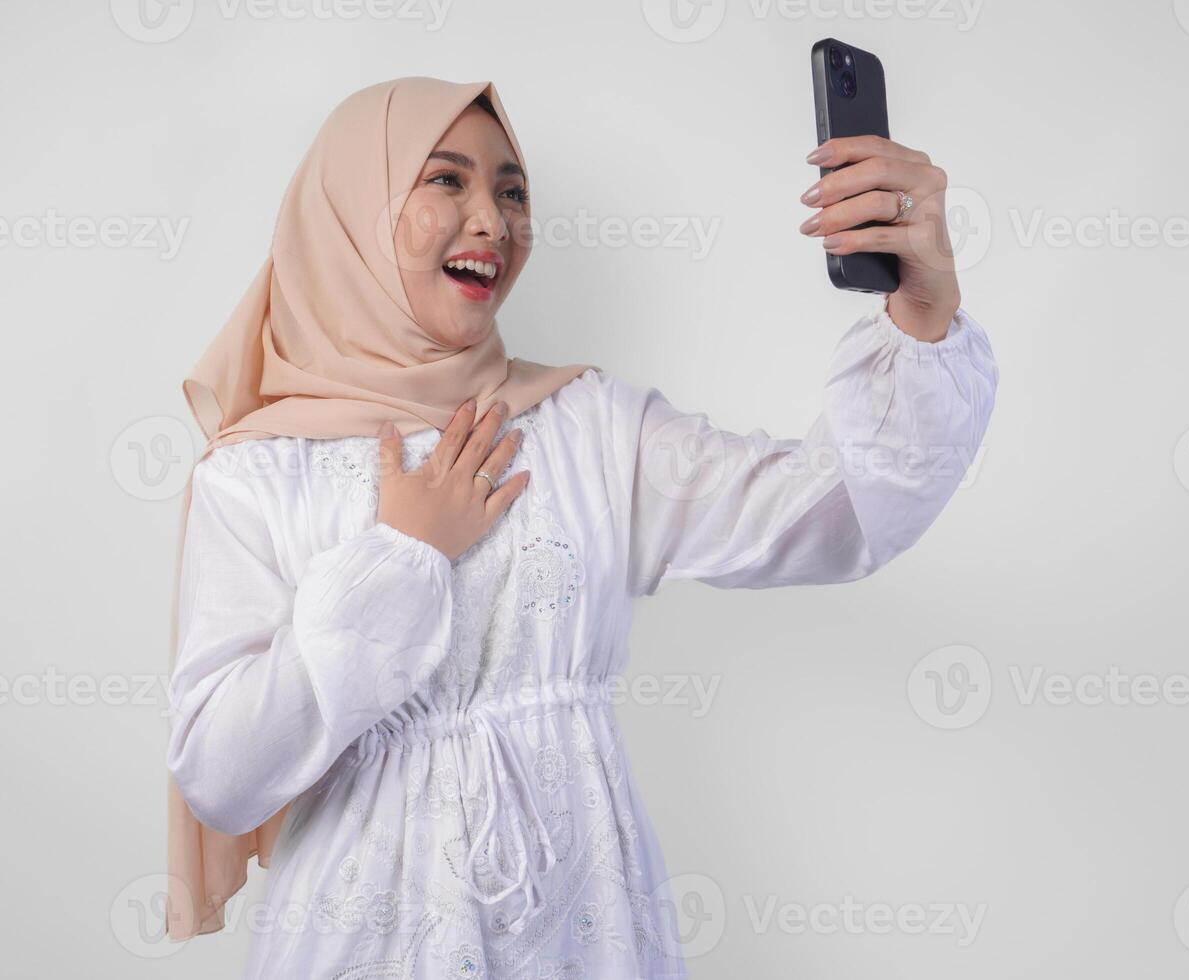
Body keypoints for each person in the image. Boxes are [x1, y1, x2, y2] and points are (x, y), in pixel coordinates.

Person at [163, 75, 997, 979]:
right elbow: (221, 774)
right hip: (364, 941)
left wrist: (923, 308)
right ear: (349, 212)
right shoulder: (255, 471)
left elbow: (835, 517)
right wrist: (398, 557)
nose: (492, 219)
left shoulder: (585, 425)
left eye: (512, 190)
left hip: (580, 929)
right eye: (446, 180)